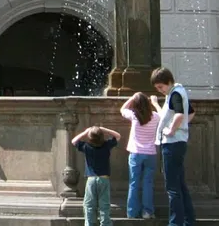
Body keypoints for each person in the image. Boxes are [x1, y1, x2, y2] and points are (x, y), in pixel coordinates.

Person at [152, 66, 194, 226]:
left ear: (168, 82)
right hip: (180, 142)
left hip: (172, 144)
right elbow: (190, 112)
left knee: (172, 188)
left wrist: (171, 130)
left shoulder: (174, 94)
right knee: (181, 186)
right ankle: (188, 221)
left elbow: (180, 115)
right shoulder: (179, 92)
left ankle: (175, 223)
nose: (160, 90)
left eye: (160, 87)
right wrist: (182, 127)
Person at [119, 92, 159, 220]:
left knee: (134, 183)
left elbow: (122, 109)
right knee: (148, 183)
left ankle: (132, 213)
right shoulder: (156, 116)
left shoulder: (134, 116)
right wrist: (155, 103)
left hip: (136, 154)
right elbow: (164, 116)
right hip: (150, 154)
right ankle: (147, 212)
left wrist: (132, 98)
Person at [71, 125, 119, 226]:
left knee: (89, 205)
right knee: (104, 205)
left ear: (89, 137)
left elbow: (74, 141)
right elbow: (117, 136)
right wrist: (104, 129)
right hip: (104, 179)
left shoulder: (86, 147)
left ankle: (89, 224)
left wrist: (85, 131)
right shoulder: (106, 145)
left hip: (91, 179)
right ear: (102, 136)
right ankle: (105, 223)